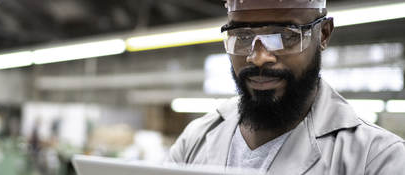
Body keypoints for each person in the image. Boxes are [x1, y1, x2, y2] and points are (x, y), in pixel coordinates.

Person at [168, 0, 405, 174]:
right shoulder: (195, 138)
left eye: (285, 35)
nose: (259, 58)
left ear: (323, 34)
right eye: (242, 36)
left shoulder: (378, 159)